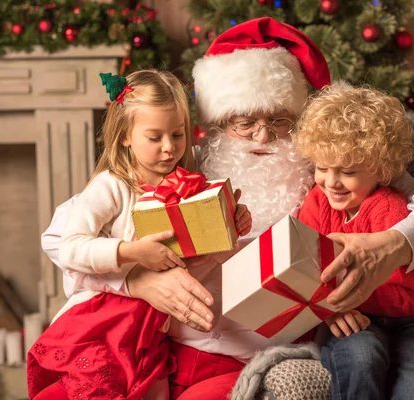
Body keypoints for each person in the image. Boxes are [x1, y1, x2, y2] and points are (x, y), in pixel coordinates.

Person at [41, 17, 414, 399]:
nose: (263, 138)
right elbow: (67, 246)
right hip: (160, 347)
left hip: (247, 352)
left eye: (279, 121)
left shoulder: (329, 170)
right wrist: (137, 283)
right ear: (218, 125)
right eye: (245, 122)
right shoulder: (186, 165)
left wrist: (393, 243)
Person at [27, 69, 252, 400]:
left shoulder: (188, 185)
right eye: (154, 137)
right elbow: (70, 246)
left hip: (152, 329)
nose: (168, 148)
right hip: (105, 320)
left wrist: (230, 227)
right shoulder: (113, 187)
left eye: (177, 135)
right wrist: (130, 252)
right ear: (125, 137)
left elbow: (191, 265)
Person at [295, 82, 414, 399]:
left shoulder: (390, 207)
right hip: (353, 317)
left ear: (380, 169)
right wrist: (330, 310)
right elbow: (304, 271)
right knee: (360, 356)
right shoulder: (316, 204)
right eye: (322, 167)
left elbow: (406, 299)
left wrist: (337, 300)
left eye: (348, 171)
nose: (331, 182)